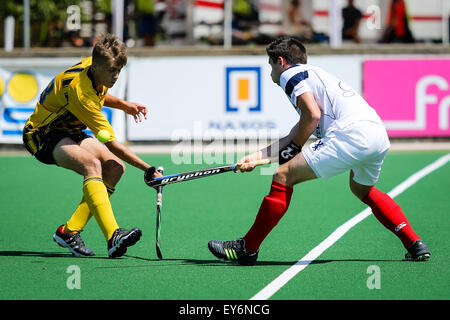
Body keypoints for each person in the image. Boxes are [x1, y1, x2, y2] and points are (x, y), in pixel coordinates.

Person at [208, 37, 430, 265]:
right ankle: (414, 243)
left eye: (270, 64)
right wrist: (256, 158)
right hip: (377, 134)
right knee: (362, 188)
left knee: (282, 176)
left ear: (281, 61)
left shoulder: (289, 75)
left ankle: (248, 248)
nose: (270, 71)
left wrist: (293, 149)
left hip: (350, 134)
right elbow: (297, 130)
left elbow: (311, 116)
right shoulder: (314, 76)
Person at [22, 33, 162, 258]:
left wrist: (124, 105)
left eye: (119, 71)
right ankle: (113, 235)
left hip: (70, 129)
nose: (116, 76)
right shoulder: (80, 93)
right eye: (111, 71)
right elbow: (113, 143)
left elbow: (100, 93)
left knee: (115, 167)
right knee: (92, 165)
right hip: (41, 135)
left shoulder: (94, 67)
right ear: (96, 65)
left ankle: (68, 232)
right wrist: (147, 169)